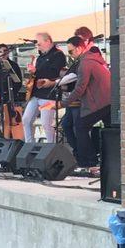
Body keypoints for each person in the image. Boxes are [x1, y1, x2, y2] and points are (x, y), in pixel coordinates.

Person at [52, 36, 111, 168]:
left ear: (79, 48)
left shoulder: (85, 63)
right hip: (108, 102)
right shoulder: (93, 60)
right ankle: (104, 160)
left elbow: (80, 88)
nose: (70, 55)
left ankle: (89, 161)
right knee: (108, 130)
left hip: (100, 102)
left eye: (71, 52)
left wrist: (62, 104)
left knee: (80, 126)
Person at [22, 32, 66, 142]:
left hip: (49, 94)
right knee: (26, 120)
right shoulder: (41, 57)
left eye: (39, 44)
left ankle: (52, 148)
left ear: (47, 41)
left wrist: (36, 70)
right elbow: (38, 74)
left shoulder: (58, 55)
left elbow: (54, 72)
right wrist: (31, 77)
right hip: (36, 93)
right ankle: (29, 146)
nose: (37, 46)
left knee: (47, 124)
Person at [0, 44, 23, 140]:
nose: (3, 53)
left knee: (11, 120)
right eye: (0, 51)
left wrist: (12, 93)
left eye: (5, 51)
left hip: (10, 97)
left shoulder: (13, 66)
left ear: (8, 53)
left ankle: (13, 139)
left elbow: (18, 82)